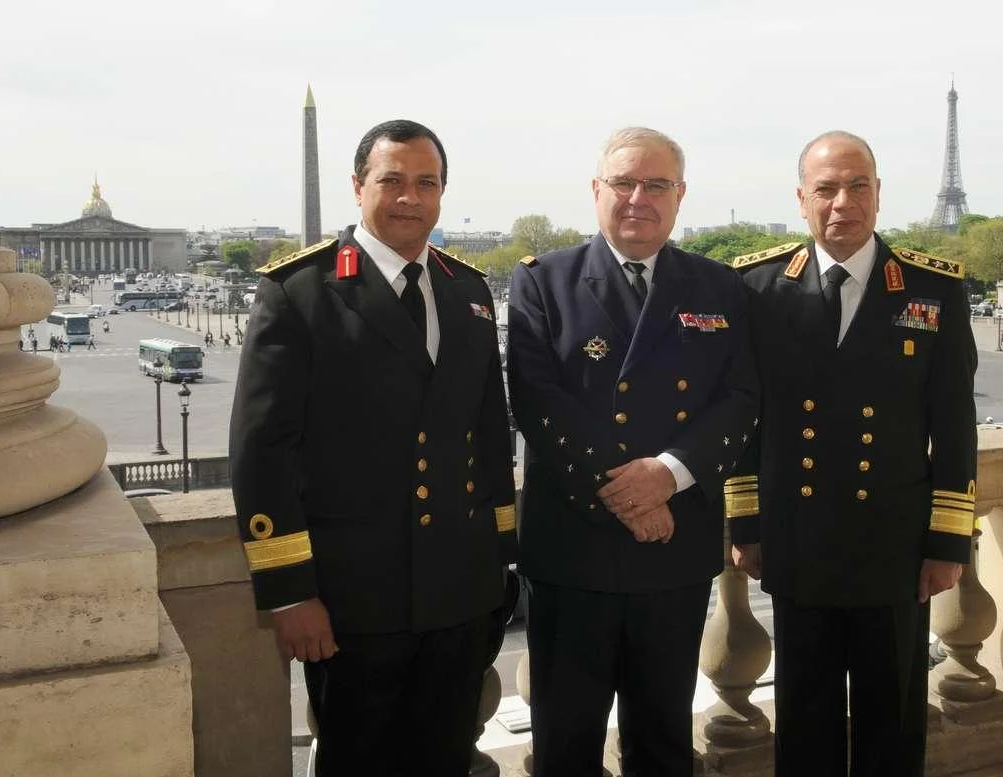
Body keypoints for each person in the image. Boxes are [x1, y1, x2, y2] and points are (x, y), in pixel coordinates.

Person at [229, 119, 517, 776]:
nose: (410, 197)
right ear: (358, 187)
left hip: (459, 597)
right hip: (352, 604)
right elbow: (262, 451)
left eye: (427, 182)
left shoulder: (467, 289)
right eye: (392, 180)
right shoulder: (298, 290)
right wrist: (288, 590)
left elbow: (489, 434)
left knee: (447, 761)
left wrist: (500, 561)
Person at [507, 127, 759, 777]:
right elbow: (536, 400)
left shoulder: (720, 288)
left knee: (663, 738)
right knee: (566, 743)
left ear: (680, 196)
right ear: (597, 191)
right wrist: (630, 495)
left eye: (656, 184)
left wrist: (667, 475)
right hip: (573, 550)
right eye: (623, 182)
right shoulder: (543, 282)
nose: (637, 197)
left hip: (671, 551)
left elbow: (739, 399)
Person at [729, 130, 977, 777]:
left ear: (878, 193)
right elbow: (742, 424)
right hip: (798, 541)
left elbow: (954, 426)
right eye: (827, 188)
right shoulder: (758, 289)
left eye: (858, 185)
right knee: (803, 720)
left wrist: (948, 542)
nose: (844, 201)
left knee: (892, 722)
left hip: (893, 548)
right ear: (802, 199)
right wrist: (746, 526)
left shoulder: (932, 289)